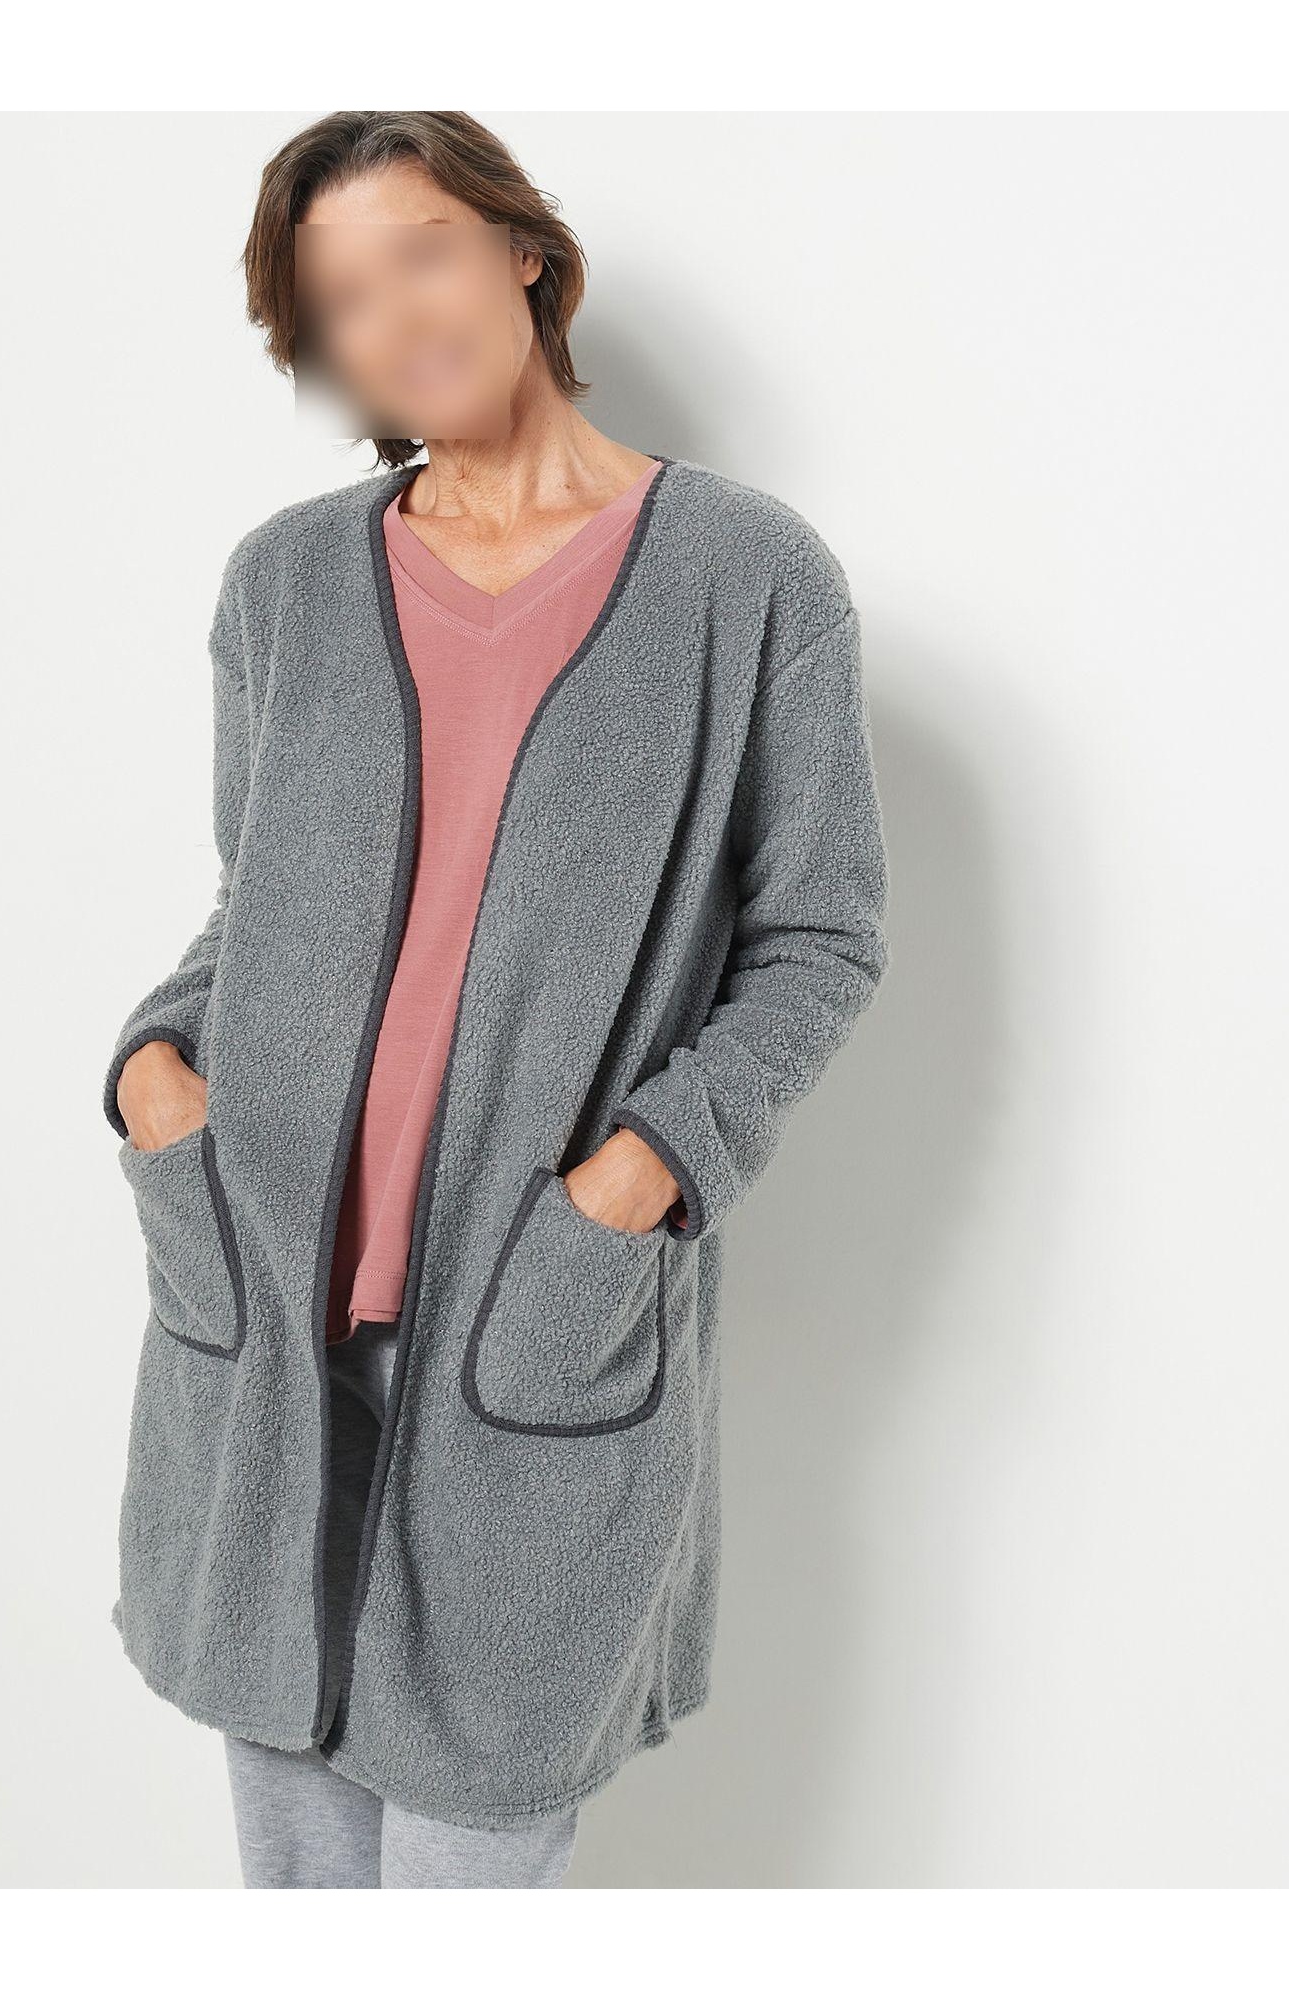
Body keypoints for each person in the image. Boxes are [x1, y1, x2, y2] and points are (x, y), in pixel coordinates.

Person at [103, 110, 890, 1890]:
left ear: (523, 251)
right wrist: (158, 1067)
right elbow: (252, 902)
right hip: (266, 1311)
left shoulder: (746, 578)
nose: (399, 317)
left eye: (425, 254)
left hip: (541, 1317)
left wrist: (643, 1172)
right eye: (342, 297)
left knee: (471, 1873)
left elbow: (821, 939)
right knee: (303, 1895)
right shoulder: (285, 583)